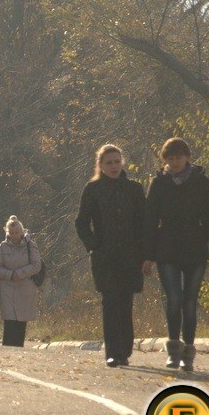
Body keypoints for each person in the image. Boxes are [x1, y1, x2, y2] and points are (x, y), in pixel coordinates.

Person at [143, 137, 209, 372]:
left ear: (187, 156)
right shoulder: (158, 183)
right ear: (165, 160)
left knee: (190, 302)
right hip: (167, 249)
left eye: (179, 156)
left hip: (195, 249)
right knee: (174, 300)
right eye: (170, 158)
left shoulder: (200, 181)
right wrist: (147, 254)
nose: (175, 161)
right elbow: (150, 220)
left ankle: (188, 351)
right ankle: (173, 350)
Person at [75, 144, 146, 367]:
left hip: (130, 256)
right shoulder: (92, 189)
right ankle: (113, 352)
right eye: (109, 163)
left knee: (125, 302)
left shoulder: (134, 189)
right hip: (104, 258)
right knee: (110, 302)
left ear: (122, 162)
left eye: (117, 162)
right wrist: (93, 245)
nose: (114, 166)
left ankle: (125, 349)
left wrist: (145, 254)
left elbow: (144, 223)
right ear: (101, 165)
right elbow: (81, 223)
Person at [0, 216, 42, 348]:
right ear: (8, 232)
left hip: (25, 288)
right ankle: (7, 348)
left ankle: (18, 348)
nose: (14, 236)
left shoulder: (30, 246)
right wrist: (9, 275)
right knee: (9, 321)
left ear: (21, 232)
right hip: (7, 288)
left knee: (20, 321)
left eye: (17, 233)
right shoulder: (3, 247)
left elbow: (37, 265)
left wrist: (20, 274)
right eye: (12, 233)